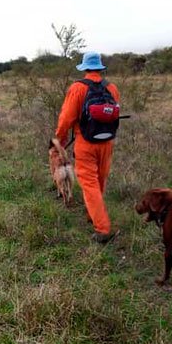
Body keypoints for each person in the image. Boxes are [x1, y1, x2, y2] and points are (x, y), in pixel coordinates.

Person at [55, 52, 121, 244]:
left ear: (84, 68)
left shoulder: (77, 88)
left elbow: (66, 118)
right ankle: (92, 215)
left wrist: (59, 138)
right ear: (100, 68)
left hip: (86, 143)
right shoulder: (112, 87)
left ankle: (102, 229)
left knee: (89, 184)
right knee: (99, 181)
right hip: (107, 142)